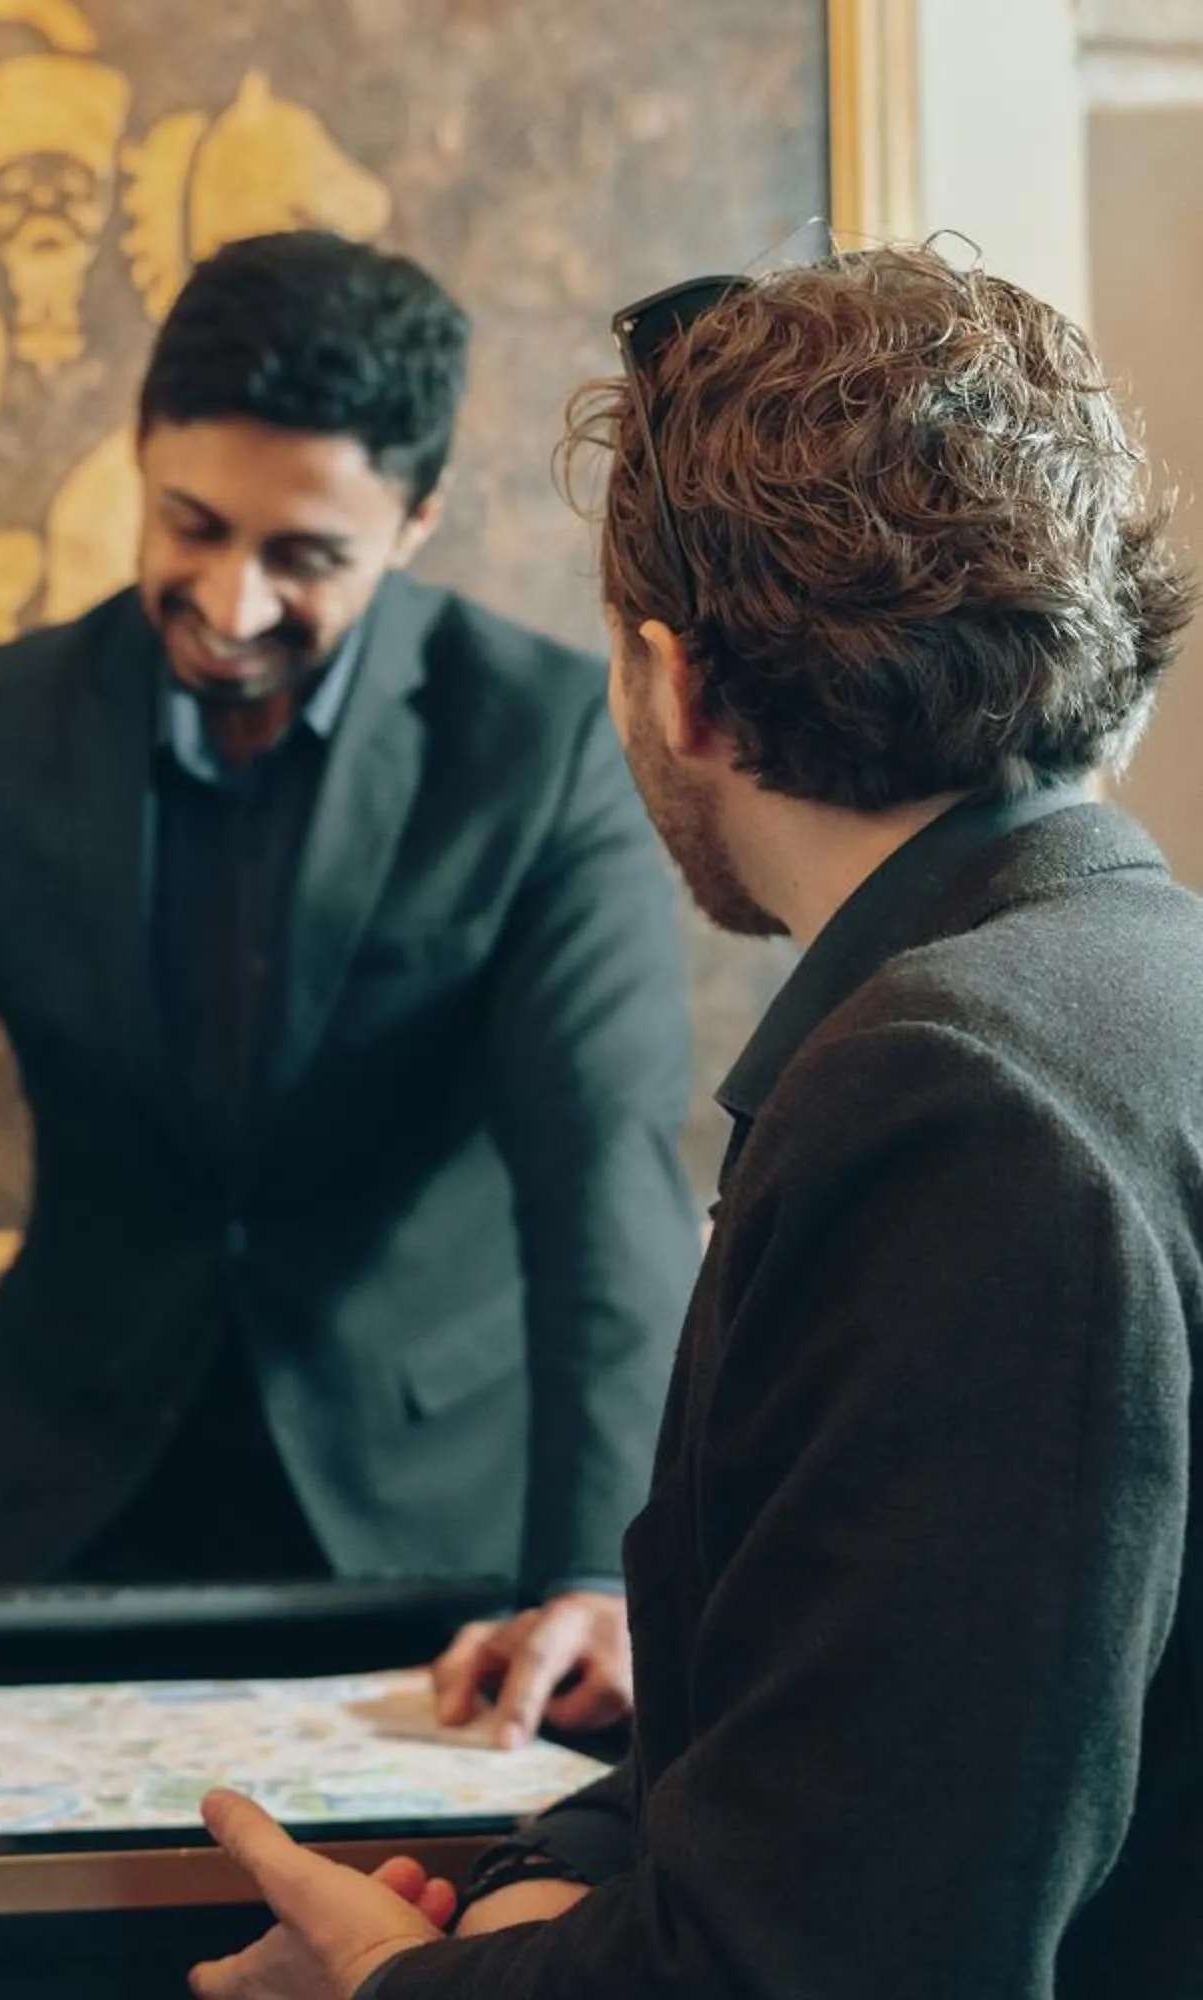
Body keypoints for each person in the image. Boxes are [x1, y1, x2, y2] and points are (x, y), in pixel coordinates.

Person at [189, 244, 1203, 1998]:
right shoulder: (1133, 993)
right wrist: (544, 1887)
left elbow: (835, 1966)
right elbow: (845, 1751)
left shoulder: (950, 1101)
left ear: (680, 686)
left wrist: (390, 1984)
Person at [0, 230, 699, 1738]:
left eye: (307, 557)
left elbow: (602, 1189)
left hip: (434, 1539)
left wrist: (596, 1570)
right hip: (59, 1519)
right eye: (192, 524)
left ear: (418, 517)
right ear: (139, 451)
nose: (232, 605)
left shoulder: (546, 746)